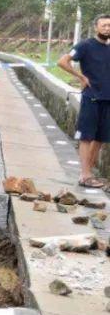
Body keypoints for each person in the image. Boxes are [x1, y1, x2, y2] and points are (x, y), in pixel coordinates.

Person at [57, 14, 110, 188]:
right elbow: (62, 62)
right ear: (96, 27)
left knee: (101, 138)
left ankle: (89, 174)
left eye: (109, 26)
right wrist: (80, 76)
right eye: (103, 25)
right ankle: (85, 176)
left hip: (107, 99)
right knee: (86, 136)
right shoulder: (85, 45)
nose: (107, 28)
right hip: (91, 97)